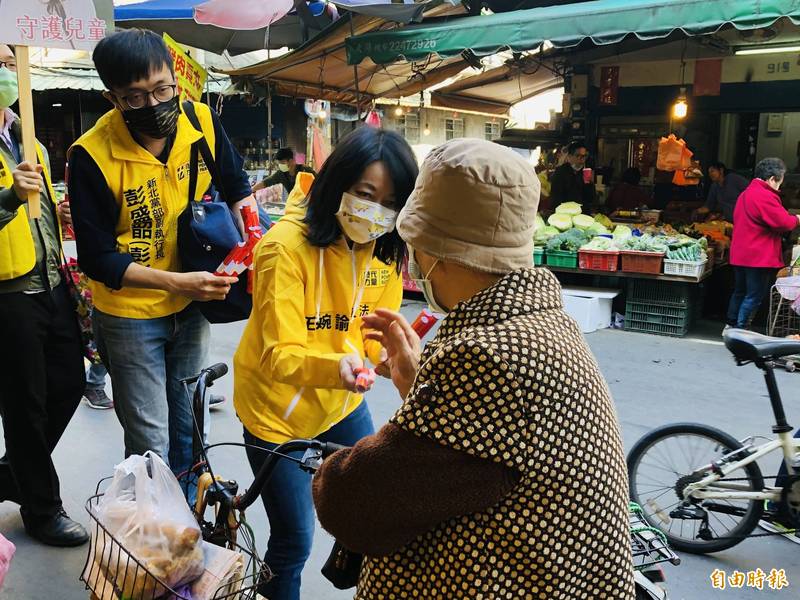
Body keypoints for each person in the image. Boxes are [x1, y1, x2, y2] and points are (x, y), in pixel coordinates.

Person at [312, 138, 635, 599]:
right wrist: (417, 385)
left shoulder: (486, 357)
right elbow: (475, 461)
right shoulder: (544, 324)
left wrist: (329, 470)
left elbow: (357, 503)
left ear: (435, 251)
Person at [233, 126, 418, 600]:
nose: (375, 210)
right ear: (338, 184)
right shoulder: (282, 249)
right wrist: (339, 366)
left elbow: (370, 332)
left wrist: (380, 356)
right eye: (364, 193)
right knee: (294, 539)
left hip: (340, 402)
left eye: (390, 201)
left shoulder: (382, 253)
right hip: (277, 411)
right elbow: (280, 355)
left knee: (377, 500)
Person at [68, 30, 253, 484]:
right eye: (135, 98)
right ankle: (156, 536)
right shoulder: (91, 155)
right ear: (112, 98)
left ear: (175, 78)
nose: (154, 104)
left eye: (162, 89)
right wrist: (177, 282)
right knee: (151, 441)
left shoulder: (202, 122)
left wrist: (253, 237)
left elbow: (236, 186)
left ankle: (187, 523)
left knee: (191, 428)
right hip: (130, 316)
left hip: (192, 307)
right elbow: (97, 259)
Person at [0, 43, 89, 547]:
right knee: (24, 402)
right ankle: (41, 507)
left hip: (50, 280)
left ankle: (12, 474)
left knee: (69, 382)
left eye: (10, 63)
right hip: (6, 291)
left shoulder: (23, 132)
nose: (7, 72)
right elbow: (13, 198)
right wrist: (10, 195)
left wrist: (59, 219)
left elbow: (39, 200)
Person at [727, 158, 800, 331]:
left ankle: (730, 325)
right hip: (757, 256)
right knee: (753, 295)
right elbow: (783, 222)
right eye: (779, 183)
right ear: (772, 178)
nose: (779, 188)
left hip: (740, 254)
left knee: (739, 291)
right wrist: (797, 218)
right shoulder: (764, 195)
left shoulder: (745, 194)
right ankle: (740, 329)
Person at [549, 141, 595, 210]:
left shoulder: (585, 172)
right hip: (564, 212)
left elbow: (590, 198)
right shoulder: (560, 172)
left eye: (584, 156)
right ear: (570, 157)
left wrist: (589, 183)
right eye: (578, 156)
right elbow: (555, 198)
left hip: (582, 212)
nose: (582, 160)